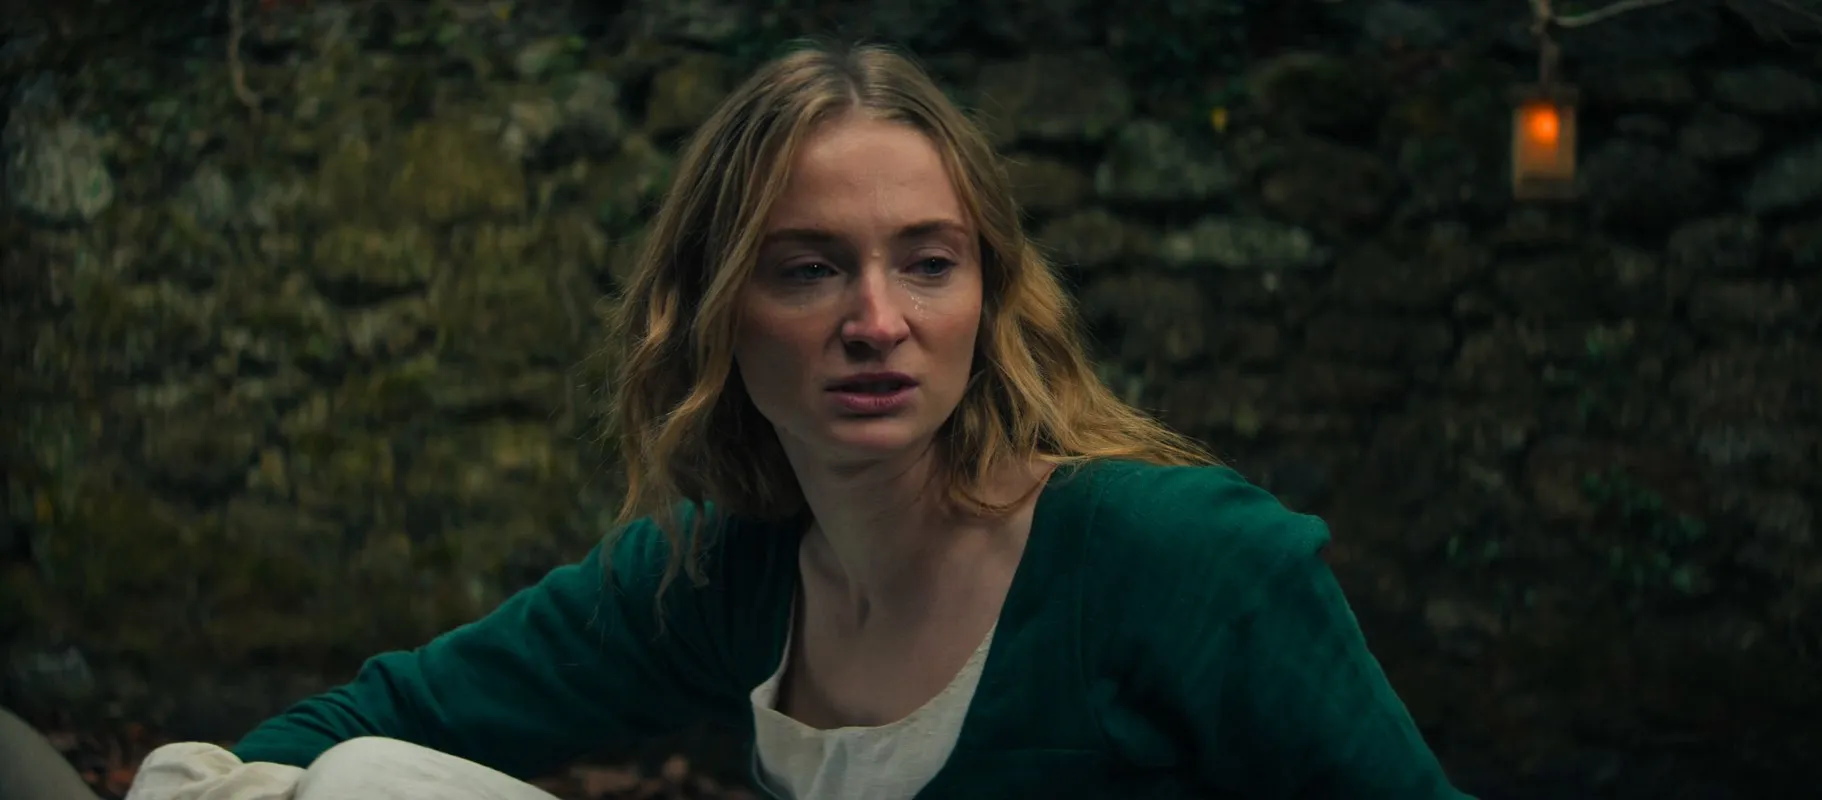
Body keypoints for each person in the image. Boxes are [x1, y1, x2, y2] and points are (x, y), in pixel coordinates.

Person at [102, 40, 1474, 799]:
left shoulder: (1180, 559)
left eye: (926, 263)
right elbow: (401, 710)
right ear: (716, 310)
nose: (876, 320)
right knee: (366, 783)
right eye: (809, 269)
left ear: (987, 295)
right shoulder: (727, 570)